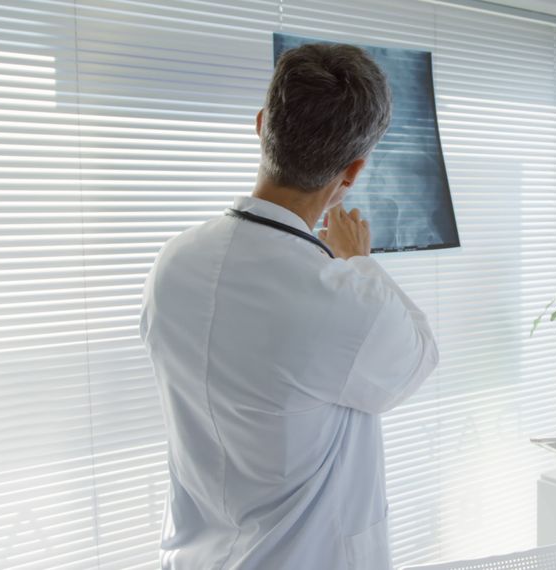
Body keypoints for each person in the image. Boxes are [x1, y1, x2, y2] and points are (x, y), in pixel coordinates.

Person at [139, 43, 439, 569]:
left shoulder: (172, 262)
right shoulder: (340, 298)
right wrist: (360, 263)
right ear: (353, 171)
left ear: (261, 125)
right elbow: (417, 359)